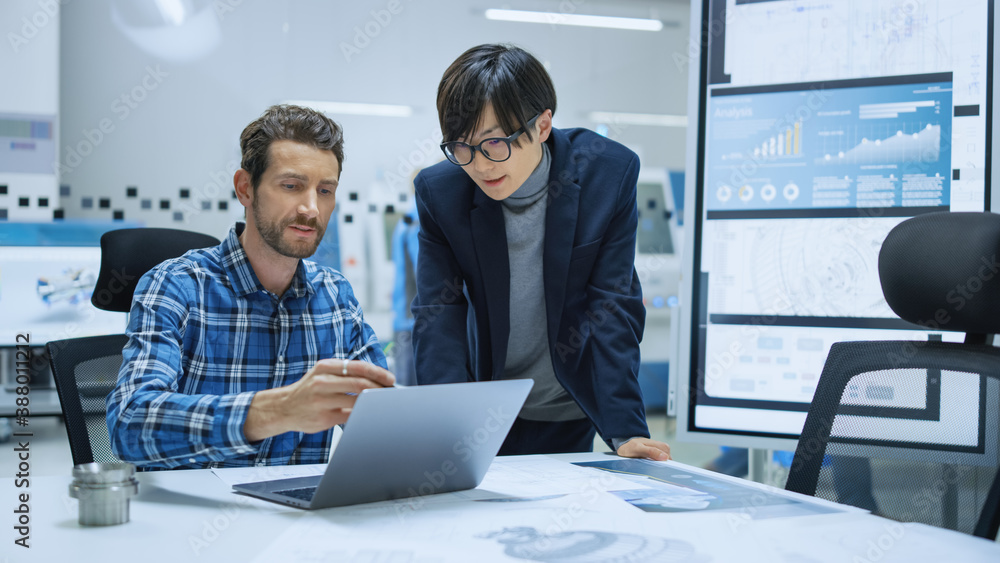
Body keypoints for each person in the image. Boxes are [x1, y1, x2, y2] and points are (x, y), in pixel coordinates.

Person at [412, 44, 671, 460]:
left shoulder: (608, 175)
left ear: (543, 125)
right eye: (461, 147)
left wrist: (626, 431)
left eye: (495, 143)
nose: (480, 165)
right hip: (485, 404)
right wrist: (446, 426)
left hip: (569, 403)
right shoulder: (441, 192)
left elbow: (612, 306)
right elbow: (438, 314)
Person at [107, 105, 394, 470]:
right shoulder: (176, 286)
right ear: (245, 188)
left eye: (325, 190)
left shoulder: (336, 297)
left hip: (298, 519)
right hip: (193, 518)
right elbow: (129, 424)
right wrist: (278, 411)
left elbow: (381, 417)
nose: (311, 208)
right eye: (292, 186)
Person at [390, 203, 420, 386]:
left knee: (405, 384)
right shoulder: (419, 221)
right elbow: (423, 271)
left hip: (403, 317)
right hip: (415, 319)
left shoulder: (405, 221)